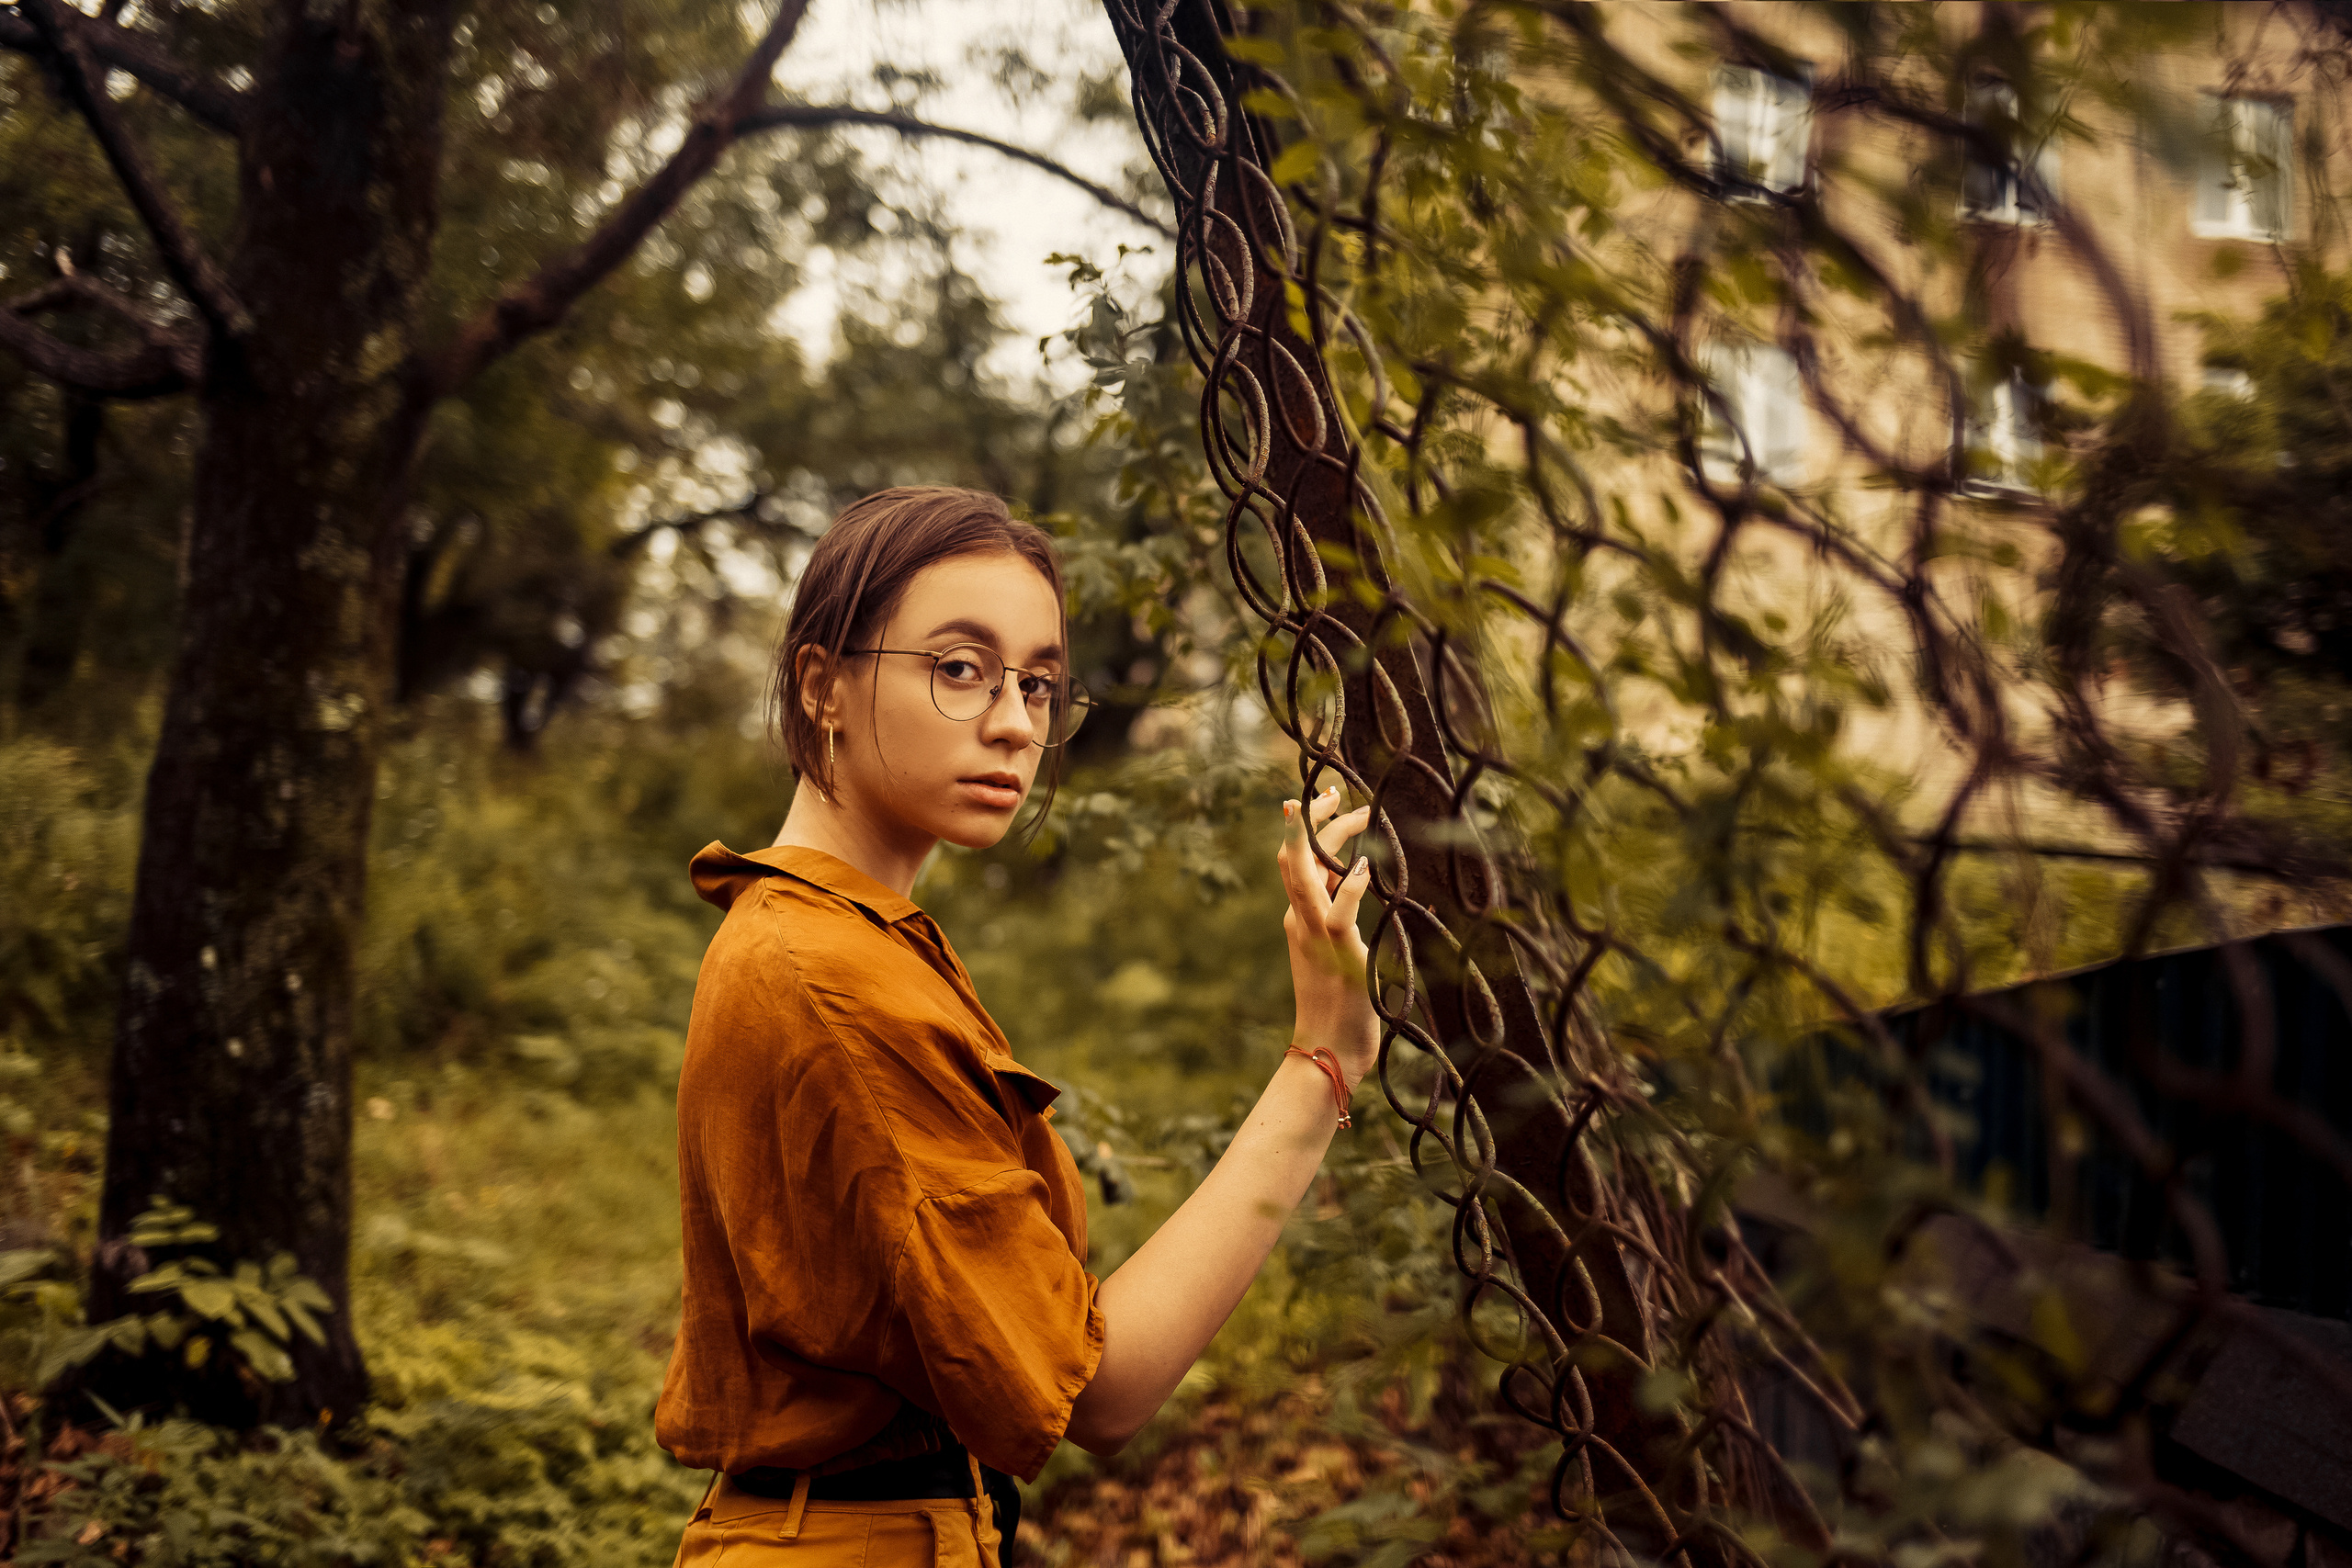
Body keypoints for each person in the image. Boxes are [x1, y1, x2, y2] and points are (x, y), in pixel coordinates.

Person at [658, 486, 1377, 1567]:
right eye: (959, 668)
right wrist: (1322, 1062)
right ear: (823, 686)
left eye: (1038, 683)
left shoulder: (834, 935)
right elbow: (1103, 1386)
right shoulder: (835, 978)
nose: (1015, 721)